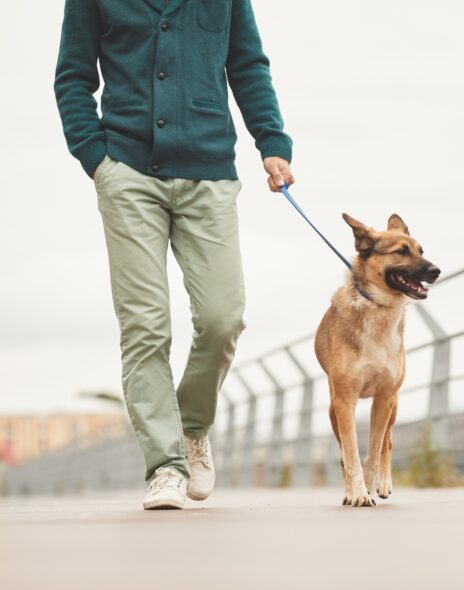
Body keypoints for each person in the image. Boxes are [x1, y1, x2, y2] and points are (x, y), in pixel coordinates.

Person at [54, 0, 294, 510]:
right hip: (126, 170)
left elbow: (247, 64)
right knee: (145, 325)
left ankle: (192, 429)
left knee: (223, 317)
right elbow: (73, 76)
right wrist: (94, 157)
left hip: (211, 172)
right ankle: (165, 466)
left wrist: (271, 140)